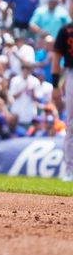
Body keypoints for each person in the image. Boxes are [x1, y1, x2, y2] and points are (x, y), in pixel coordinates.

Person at [52, 12, 73, 181]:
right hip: (71, 74)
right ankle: (69, 170)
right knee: (71, 124)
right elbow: (57, 58)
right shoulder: (66, 30)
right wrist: (55, 85)